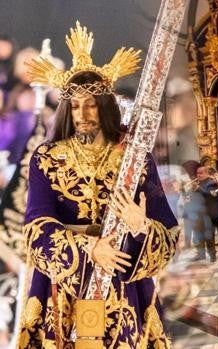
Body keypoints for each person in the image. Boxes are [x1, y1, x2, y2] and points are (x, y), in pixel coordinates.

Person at [19, 22, 178, 347]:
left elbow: (169, 233)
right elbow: (35, 229)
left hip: (124, 280)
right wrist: (90, 248)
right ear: (66, 108)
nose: (82, 113)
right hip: (63, 289)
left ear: (105, 104)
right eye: (75, 105)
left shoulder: (135, 158)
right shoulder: (46, 158)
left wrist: (141, 227)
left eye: (91, 103)